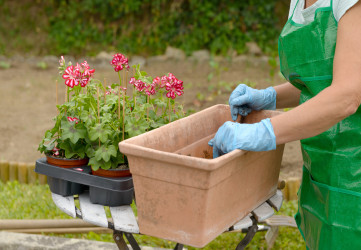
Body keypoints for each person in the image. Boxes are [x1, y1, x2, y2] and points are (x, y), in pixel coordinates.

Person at [208, 0, 361, 249]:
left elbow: (347, 95)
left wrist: (263, 131)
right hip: (325, 165)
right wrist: (269, 96)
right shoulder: (299, 3)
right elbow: (319, 82)